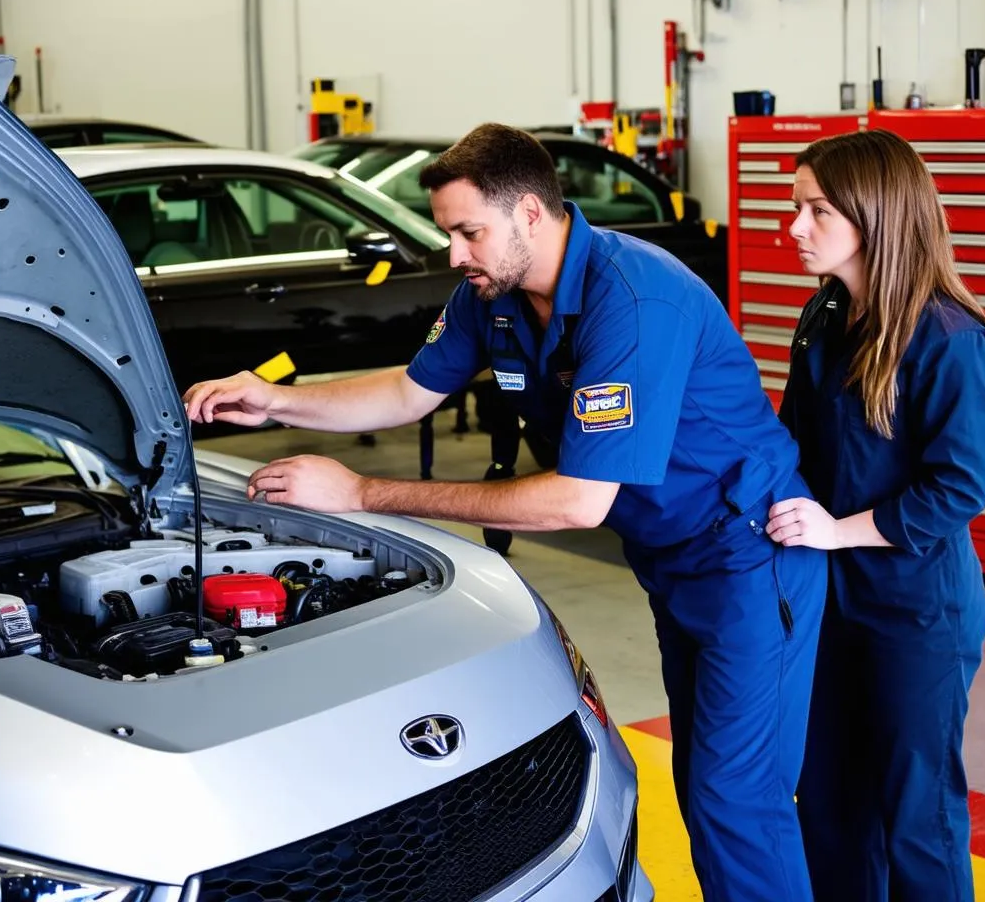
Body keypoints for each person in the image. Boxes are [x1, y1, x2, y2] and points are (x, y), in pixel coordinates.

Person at [184, 123, 827, 902]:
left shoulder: (634, 299)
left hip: (751, 558)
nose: (454, 253)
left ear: (529, 213)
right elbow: (408, 391)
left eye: (468, 232)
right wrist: (273, 397)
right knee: (706, 786)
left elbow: (575, 500)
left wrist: (361, 492)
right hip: (672, 562)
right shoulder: (491, 296)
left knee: (738, 803)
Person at [764, 128, 985, 902]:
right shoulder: (823, 316)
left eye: (815, 210)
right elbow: (794, 441)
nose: (793, 227)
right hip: (830, 602)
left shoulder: (947, 337)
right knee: (832, 808)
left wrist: (837, 530)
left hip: (915, 613)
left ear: (876, 214)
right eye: (795, 206)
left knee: (916, 819)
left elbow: (958, 486)